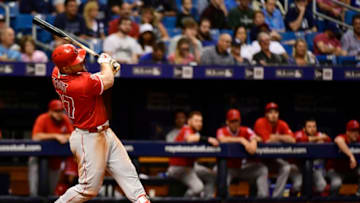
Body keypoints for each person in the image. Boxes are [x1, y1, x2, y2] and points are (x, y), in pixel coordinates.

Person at [51, 44, 150, 203]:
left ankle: (142, 200)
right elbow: (107, 80)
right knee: (88, 189)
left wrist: (109, 68)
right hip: (88, 138)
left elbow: (97, 79)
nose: (81, 61)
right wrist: (106, 62)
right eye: (76, 61)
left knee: (128, 173)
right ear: (67, 69)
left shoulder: (57, 73)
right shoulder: (80, 84)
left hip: (104, 132)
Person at [216, 109, 269, 197]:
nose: (235, 123)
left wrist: (254, 141)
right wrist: (241, 140)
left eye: (236, 121)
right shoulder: (222, 131)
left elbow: (257, 139)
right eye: (232, 121)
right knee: (219, 173)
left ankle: (263, 199)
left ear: (240, 121)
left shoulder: (246, 130)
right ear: (227, 122)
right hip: (229, 169)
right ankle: (224, 199)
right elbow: (221, 139)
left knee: (262, 169)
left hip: (243, 168)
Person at [167, 111, 219, 197]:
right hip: (178, 167)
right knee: (198, 187)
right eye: (196, 121)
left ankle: (207, 199)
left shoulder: (196, 133)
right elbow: (189, 138)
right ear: (189, 121)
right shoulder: (186, 129)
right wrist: (208, 139)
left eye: (200, 121)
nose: (199, 123)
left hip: (190, 166)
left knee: (212, 176)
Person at [29, 100, 74, 196]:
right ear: (50, 111)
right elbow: (36, 136)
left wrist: (65, 137)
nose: (59, 113)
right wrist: (56, 136)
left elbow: (73, 136)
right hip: (38, 158)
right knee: (34, 193)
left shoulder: (65, 119)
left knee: (50, 193)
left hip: (55, 160)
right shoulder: (43, 118)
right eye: (56, 111)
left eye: (61, 111)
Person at [254, 102, 296, 197]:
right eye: (270, 112)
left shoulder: (282, 124)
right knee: (262, 169)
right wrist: (282, 138)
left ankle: (277, 198)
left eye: (275, 112)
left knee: (286, 167)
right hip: (259, 159)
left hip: (274, 159)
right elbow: (268, 141)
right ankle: (263, 199)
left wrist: (276, 136)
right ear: (266, 114)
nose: (273, 115)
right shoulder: (260, 122)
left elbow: (292, 140)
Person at [294, 118, 331, 195]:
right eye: (309, 127)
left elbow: (328, 139)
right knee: (297, 185)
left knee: (322, 185)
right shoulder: (299, 134)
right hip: (299, 169)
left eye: (314, 126)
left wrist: (322, 140)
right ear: (304, 129)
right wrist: (316, 139)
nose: (312, 129)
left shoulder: (320, 135)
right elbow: (298, 139)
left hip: (316, 169)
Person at [325, 120, 360, 196]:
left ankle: (358, 195)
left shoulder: (358, 139)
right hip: (335, 170)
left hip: (349, 171)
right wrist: (351, 156)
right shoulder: (343, 137)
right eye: (353, 131)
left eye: (357, 131)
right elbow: (338, 140)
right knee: (336, 183)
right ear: (347, 132)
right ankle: (332, 199)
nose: (355, 134)